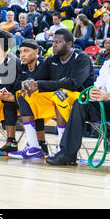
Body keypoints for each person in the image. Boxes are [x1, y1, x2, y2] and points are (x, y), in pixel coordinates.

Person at [47, 33, 110, 171]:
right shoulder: (108, 64)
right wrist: (92, 93)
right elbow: (98, 86)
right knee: (81, 103)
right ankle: (67, 154)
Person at [11, 29, 94, 157]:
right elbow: (39, 78)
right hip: (57, 96)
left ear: (69, 44)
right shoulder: (51, 59)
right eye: (53, 41)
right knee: (24, 95)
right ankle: (34, 147)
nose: (53, 45)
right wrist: (29, 83)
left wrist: (39, 84)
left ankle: (62, 146)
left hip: (80, 98)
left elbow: (73, 84)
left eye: (58, 42)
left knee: (60, 94)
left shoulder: (81, 57)